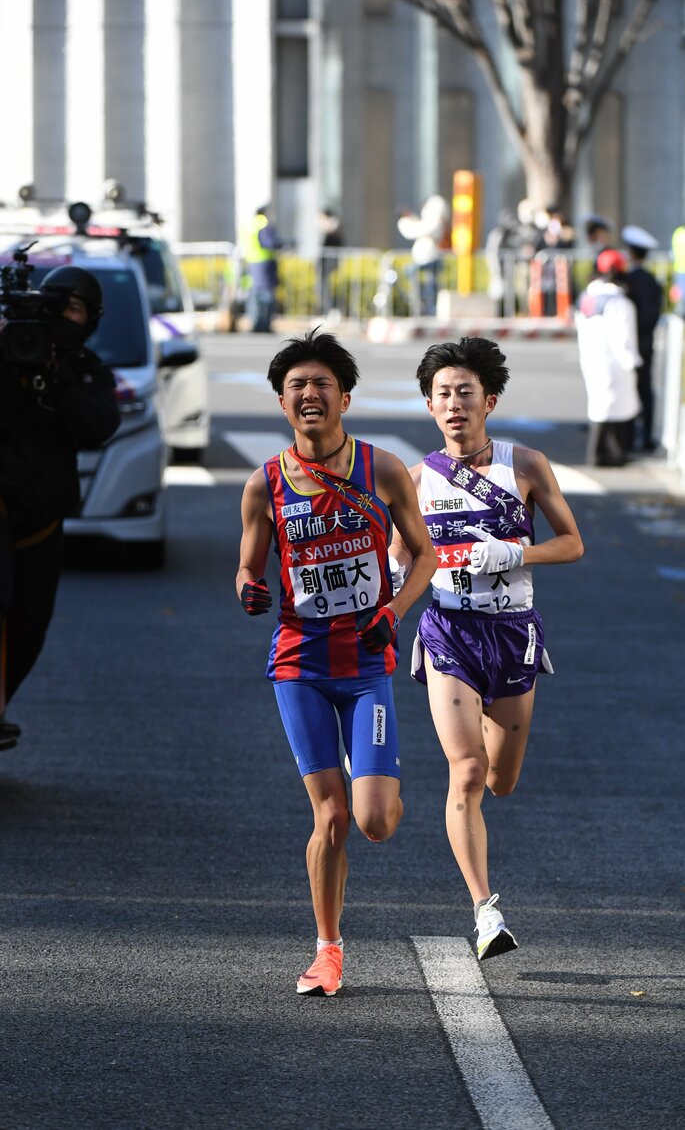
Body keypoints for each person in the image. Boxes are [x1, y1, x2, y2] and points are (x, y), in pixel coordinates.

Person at [237, 329, 436, 996]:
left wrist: (395, 609)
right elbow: (246, 565)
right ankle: (327, 950)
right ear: (281, 401)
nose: (309, 393)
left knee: (374, 820)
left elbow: (424, 554)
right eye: (296, 385)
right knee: (331, 816)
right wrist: (248, 585)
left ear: (344, 397)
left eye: (321, 383)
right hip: (300, 665)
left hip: (366, 665)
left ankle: (380, 779)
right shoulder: (263, 484)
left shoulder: (382, 470)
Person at [389, 337, 583, 961]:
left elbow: (572, 543)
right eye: (442, 394)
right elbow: (399, 558)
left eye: (465, 393)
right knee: (467, 770)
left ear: (489, 401)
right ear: (429, 405)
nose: (454, 404)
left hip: (514, 633)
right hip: (448, 632)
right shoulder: (415, 480)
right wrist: (389, 591)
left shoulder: (525, 465)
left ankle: (485, 896)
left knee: (501, 779)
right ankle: (485, 911)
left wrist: (515, 551)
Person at [0, 266, 121, 746]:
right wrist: (1, 355)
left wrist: (55, 377)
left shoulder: (87, 370)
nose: (63, 317)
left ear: (90, 320)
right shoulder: (2, 350)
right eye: (55, 306)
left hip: (43, 515)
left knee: (30, 624)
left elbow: (97, 427)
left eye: (75, 309)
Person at [575, 248, 642, 466]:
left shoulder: (586, 297)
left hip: (591, 359)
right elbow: (624, 338)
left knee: (599, 406)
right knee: (616, 408)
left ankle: (598, 453)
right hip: (613, 363)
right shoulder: (619, 302)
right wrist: (632, 361)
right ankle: (608, 455)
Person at [621, 224, 663, 452]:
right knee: (646, 390)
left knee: (628, 390)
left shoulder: (629, 280)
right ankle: (646, 437)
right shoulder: (652, 281)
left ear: (630, 252)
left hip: (630, 344)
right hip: (647, 343)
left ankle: (627, 439)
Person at [397, 195, 450, 316]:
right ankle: (422, 306)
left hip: (431, 258)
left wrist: (407, 223)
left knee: (431, 287)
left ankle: (429, 309)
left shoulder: (435, 224)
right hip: (424, 258)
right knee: (423, 284)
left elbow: (417, 230)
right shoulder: (430, 223)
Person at [240, 204, 283, 333]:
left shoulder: (250, 225)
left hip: (252, 262)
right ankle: (263, 324)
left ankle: (255, 323)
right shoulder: (263, 224)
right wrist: (281, 244)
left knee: (255, 294)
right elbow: (269, 243)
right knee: (266, 295)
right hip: (264, 263)